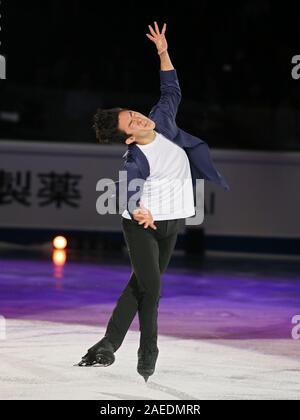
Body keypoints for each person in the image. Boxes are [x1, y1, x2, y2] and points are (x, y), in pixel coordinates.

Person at [76, 22, 229, 382]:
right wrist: (136, 209)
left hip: (174, 222)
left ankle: (107, 344)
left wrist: (162, 51)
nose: (139, 117)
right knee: (153, 288)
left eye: (133, 112)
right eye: (131, 121)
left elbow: (170, 89)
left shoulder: (162, 121)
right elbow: (127, 189)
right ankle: (148, 353)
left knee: (140, 285)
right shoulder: (134, 159)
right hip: (142, 226)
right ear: (128, 136)